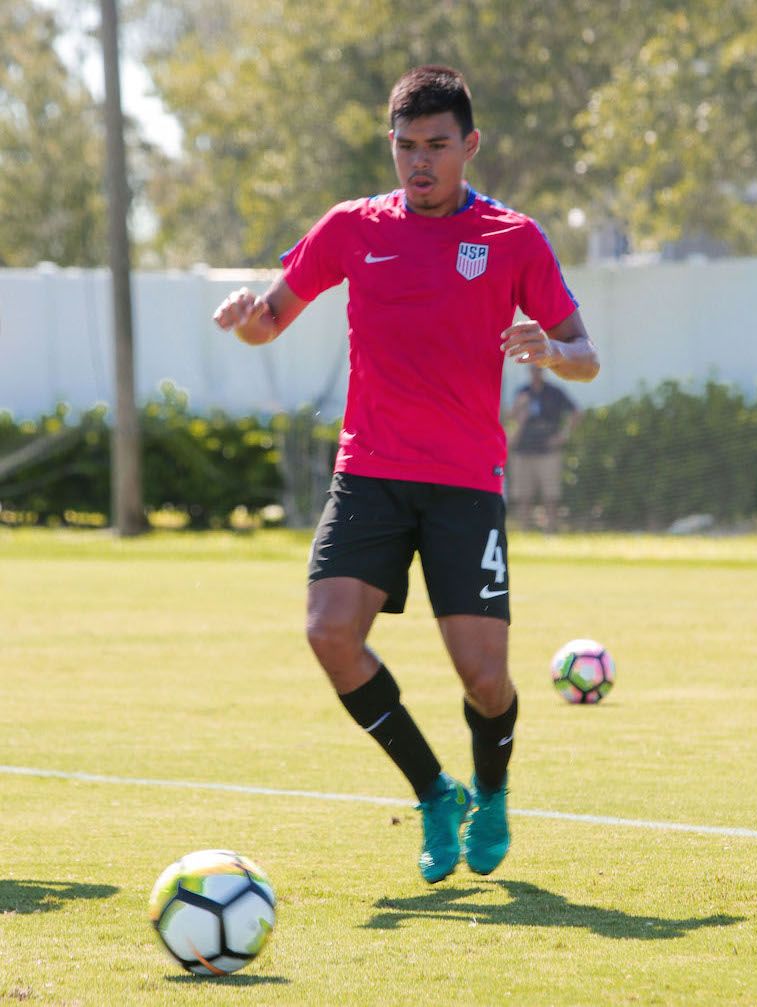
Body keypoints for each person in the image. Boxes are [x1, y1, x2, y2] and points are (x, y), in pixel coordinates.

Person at [213, 65, 599, 884]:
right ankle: (433, 789)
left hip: (464, 481)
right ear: (389, 145)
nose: (419, 163)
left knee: (485, 678)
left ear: (469, 145)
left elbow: (586, 355)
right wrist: (250, 320)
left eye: (435, 146)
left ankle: (488, 792)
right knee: (328, 632)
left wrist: (550, 350)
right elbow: (272, 319)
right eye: (404, 146)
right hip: (370, 473)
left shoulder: (513, 239)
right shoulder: (352, 228)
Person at [507, 364, 581, 532]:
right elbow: (510, 417)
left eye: (538, 369)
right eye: (532, 370)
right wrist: (518, 407)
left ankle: (551, 531)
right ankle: (524, 531)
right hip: (523, 450)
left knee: (551, 495)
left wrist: (563, 435)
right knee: (523, 495)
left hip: (548, 451)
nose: (535, 373)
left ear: (543, 371)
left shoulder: (554, 392)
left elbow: (576, 412)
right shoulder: (523, 392)